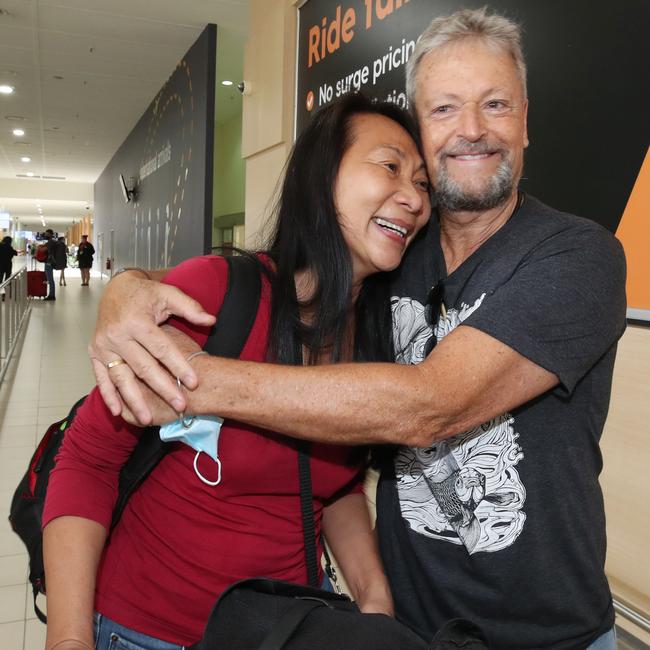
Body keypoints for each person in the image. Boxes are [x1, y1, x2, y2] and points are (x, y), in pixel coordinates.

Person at [88, 8, 627, 650]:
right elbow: (274, 275)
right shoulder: (395, 255)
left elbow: (430, 405)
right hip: (402, 628)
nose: (473, 130)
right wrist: (126, 291)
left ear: (527, 122)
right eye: (445, 109)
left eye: (496, 104)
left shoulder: (576, 256)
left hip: (548, 635)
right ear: (420, 130)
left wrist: (187, 381)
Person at [43, 93, 431, 650]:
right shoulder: (216, 297)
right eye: (391, 166)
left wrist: (374, 599)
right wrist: (68, 640)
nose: (413, 197)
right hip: (147, 631)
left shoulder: (375, 337)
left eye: (423, 184)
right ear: (321, 177)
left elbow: (336, 482)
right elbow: (88, 461)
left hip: (283, 628)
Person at [43, 228, 58, 301]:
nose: (45, 235)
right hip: (49, 262)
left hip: (49, 263)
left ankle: (52, 295)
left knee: (50, 279)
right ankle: (51, 294)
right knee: (49, 279)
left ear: (51, 235)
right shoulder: (52, 242)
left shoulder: (50, 242)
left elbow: (45, 251)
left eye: (47, 234)